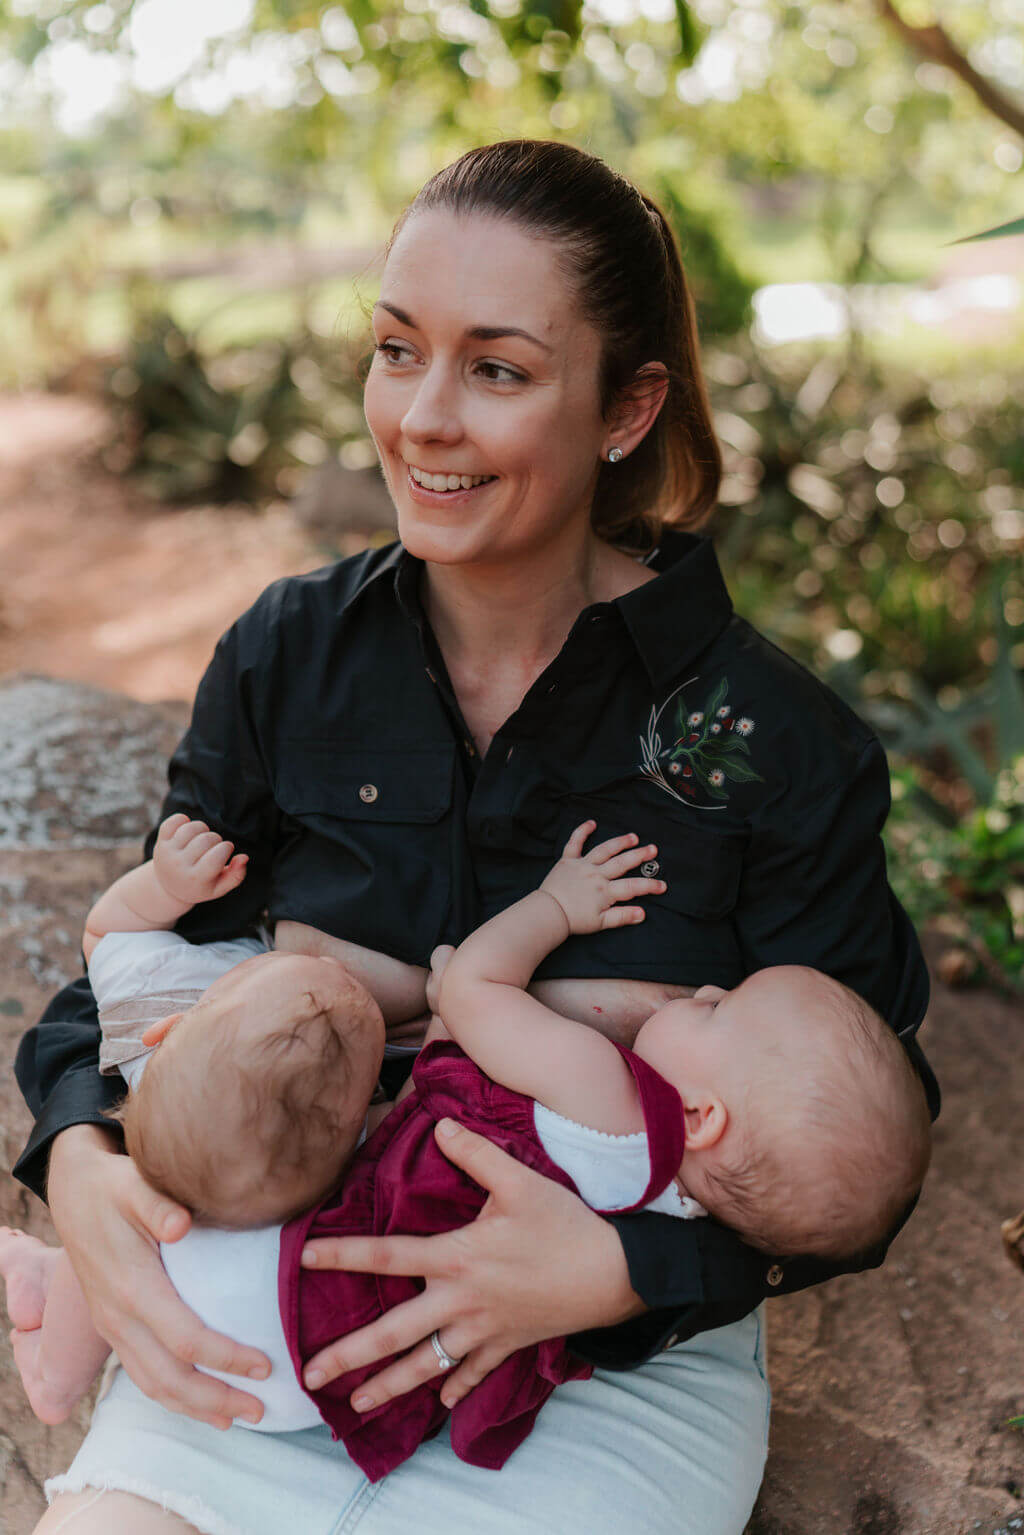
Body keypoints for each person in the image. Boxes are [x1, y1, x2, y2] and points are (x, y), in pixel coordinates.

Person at [12, 137, 938, 1535]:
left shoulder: (778, 737)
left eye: (497, 369)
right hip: (266, 1305)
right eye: (398, 351)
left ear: (627, 408)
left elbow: (860, 1133)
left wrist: (623, 1272)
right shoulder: (287, 655)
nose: (423, 418)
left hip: (600, 1374)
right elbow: (154, 957)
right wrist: (81, 1155)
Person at [1, 820, 930, 1475]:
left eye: (720, 1010)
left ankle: (59, 1321)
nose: (704, 992)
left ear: (700, 1115)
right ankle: (63, 1301)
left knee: (212, 1171)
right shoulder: (679, 1204)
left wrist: (555, 907)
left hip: (275, 1293)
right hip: (344, 1382)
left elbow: (476, 987)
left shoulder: (606, 1094)